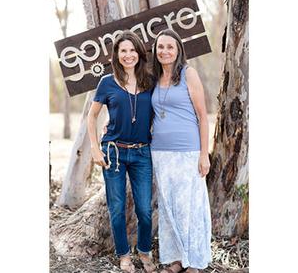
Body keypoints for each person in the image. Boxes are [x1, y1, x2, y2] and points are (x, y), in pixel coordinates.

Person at [87, 30, 157, 273]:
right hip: (113, 152)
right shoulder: (106, 82)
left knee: (144, 210)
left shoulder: (150, 80)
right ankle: (124, 254)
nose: (128, 55)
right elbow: (92, 115)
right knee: (116, 208)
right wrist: (95, 149)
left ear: (139, 52)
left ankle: (145, 251)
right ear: (116, 55)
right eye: (123, 51)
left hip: (142, 153)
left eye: (132, 50)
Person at [150, 29, 212, 273]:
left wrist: (203, 153)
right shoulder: (154, 78)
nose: (165, 51)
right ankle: (176, 260)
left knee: (190, 208)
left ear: (178, 51)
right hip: (160, 153)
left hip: (187, 151)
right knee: (168, 209)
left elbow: (203, 117)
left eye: (170, 47)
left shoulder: (189, 73)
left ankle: (193, 262)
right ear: (156, 51)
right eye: (161, 47)